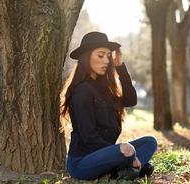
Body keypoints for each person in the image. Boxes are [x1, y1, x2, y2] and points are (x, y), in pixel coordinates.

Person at [61, 31, 157, 180]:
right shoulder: (82, 90)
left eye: (108, 56)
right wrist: (125, 154)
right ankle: (130, 168)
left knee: (150, 142)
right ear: (86, 57)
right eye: (100, 55)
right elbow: (89, 137)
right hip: (82, 163)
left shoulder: (105, 89)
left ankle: (123, 170)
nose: (106, 60)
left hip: (105, 154)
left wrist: (120, 68)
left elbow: (131, 100)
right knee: (126, 149)